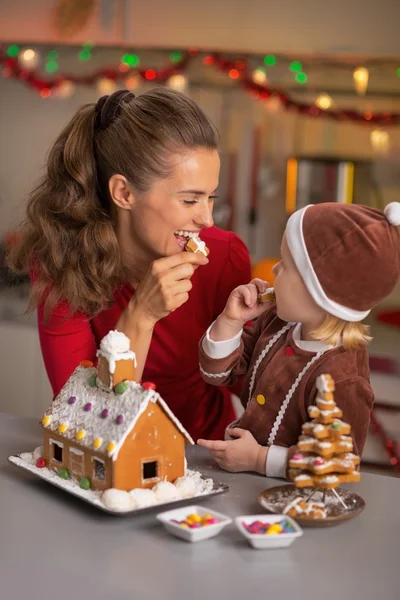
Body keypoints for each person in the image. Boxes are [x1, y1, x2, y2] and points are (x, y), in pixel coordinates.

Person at [7, 88, 251, 440]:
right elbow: (83, 422)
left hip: (205, 458)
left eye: (210, 197)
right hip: (110, 460)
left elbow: (251, 386)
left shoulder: (224, 257)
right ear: (124, 193)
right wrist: (141, 315)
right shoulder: (61, 264)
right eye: (189, 200)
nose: (207, 220)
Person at [197, 202, 400, 477]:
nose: (275, 271)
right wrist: (231, 320)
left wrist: (259, 459)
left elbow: (339, 463)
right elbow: (217, 373)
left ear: (321, 292)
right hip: (244, 483)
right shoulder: (276, 323)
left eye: (286, 265)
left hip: (295, 499)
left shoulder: (343, 378)